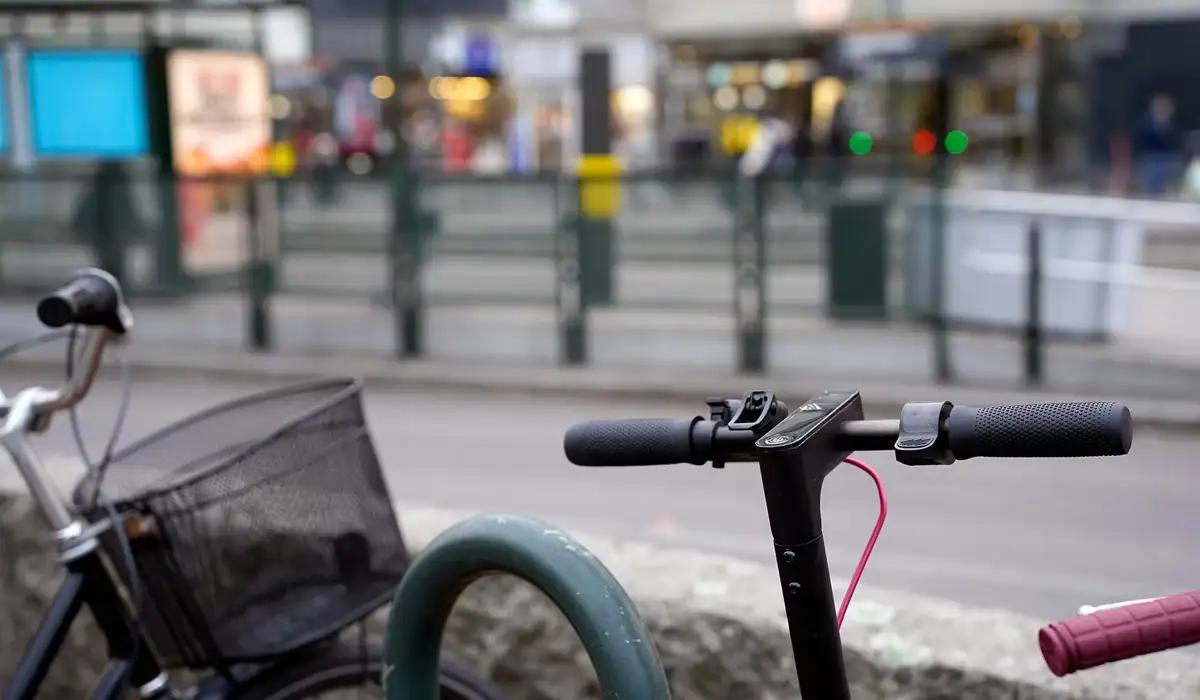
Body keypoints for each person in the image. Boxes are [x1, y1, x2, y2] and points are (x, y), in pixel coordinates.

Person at [1134, 94, 1182, 197]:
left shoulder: (1173, 127)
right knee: (1150, 189)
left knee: (1166, 188)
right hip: (1150, 160)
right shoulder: (1146, 125)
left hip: (1168, 161)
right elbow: (1140, 141)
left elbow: (1177, 144)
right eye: (1159, 106)